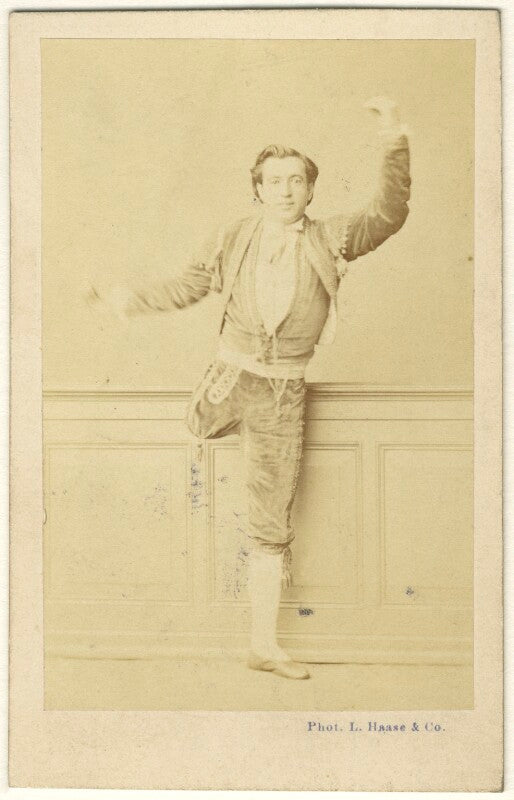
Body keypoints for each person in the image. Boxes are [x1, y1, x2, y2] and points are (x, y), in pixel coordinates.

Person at [88, 96, 411, 680]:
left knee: (269, 523)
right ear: (257, 190)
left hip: (283, 397)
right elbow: (188, 286)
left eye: (296, 181)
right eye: (274, 181)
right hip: (228, 378)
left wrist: (393, 137)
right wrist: (127, 300)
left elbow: (388, 213)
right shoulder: (233, 235)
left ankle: (263, 646)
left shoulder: (333, 236)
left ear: (310, 190)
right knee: (178, 447)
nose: (285, 191)